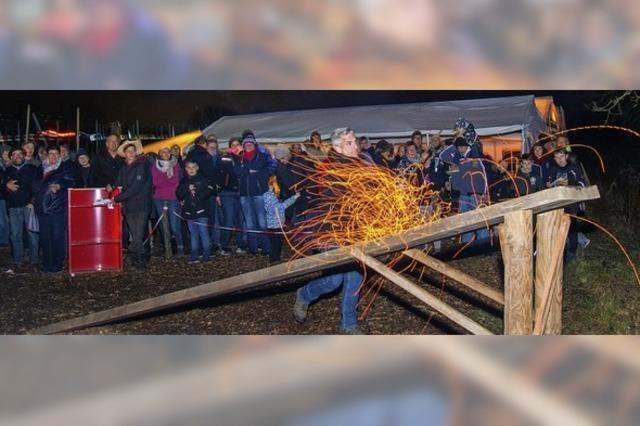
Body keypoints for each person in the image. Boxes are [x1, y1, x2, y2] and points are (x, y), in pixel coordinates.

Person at [293, 127, 365, 334]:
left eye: (355, 141)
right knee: (334, 280)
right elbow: (332, 200)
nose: (356, 146)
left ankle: (349, 326)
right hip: (330, 230)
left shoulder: (358, 165)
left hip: (354, 230)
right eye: (350, 143)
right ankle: (304, 294)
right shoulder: (330, 169)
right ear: (337, 147)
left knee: (354, 277)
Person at [32, 144, 77, 273]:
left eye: (56, 154)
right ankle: (47, 264)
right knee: (45, 237)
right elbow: (34, 184)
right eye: (51, 153)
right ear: (46, 155)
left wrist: (60, 185)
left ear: (60, 155)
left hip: (57, 208)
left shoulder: (64, 168)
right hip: (42, 208)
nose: (53, 156)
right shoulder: (40, 168)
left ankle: (57, 264)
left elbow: (73, 182)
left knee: (57, 237)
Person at [114, 140, 153, 271]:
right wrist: (111, 187)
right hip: (129, 206)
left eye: (132, 151)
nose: (130, 153)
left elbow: (136, 187)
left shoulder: (142, 165)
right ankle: (136, 260)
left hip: (141, 205)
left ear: (136, 153)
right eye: (128, 151)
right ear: (124, 154)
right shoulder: (123, 168)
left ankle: (137, 261)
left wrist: (118, 198)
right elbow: (118, 182)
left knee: (138, 235)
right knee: (135, 234)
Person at [546, 149, 586, 262]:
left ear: (566, 156)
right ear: (554, 159)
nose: (560, 160)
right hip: (558, 204)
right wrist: (549, 185)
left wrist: (570, 183)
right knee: (558, 228)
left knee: (571, 227)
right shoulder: (553, 170)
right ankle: (559, 253)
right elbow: (549, 183)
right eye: (557, 158)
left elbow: (582, 185)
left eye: (561, 156)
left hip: (571, 204)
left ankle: (572, 252)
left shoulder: (574, 169)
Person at [2, 148, 40, 266]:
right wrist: (6, 186)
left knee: (32, 233)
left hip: (29, 206)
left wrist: (32, 202)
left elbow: (38, 186)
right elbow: (2, 188)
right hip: (13, 207)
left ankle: (34, 260)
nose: (18, 156)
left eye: (20, 154)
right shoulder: (7, 171)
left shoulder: (32, 169)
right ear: (11, 157)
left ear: (24, 156)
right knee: (15, 234)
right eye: (15, 154)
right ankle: (18, 260)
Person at [236, 135, 271, 256]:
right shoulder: (240, 158)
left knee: (262, 221)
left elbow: (269, 169)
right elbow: (237, 172)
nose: (248, 146)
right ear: (244, 146)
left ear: (254, 145)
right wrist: (248, 171)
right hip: (245, 195)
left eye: (251, 144)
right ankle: (253, 248)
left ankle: (266, 248)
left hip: (259, 193)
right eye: (246, 144)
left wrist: (256, 172)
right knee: (249, 222)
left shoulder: (262, 156)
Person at [176, 160, 215, 264]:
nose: (191, 169)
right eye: (189, 167)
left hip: (202, 210)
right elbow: (179, 193)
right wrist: (187, 190)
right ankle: (194, 255)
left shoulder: (203, 178)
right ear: (185, 169)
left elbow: (209, 190)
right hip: (189, 212)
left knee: (203, 232)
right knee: (193, 234)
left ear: (197, 168)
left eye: (193, 167)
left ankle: (206, 254)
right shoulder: (183, 181)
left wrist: (197, 197)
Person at [151, 147, 183, 256]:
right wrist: (167, 180)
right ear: (159, 154)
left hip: (173, 197)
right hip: (159, 198)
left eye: (167, 152)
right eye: (163, 152)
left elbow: (176, 181)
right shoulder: (155, 166)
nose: (165, 154)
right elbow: (155, 182)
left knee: (174, 225)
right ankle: (167, 248)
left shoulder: (176, 165)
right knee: (163, 225)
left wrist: (165, 181)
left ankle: (179, 247)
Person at [216, 137, 246, 255]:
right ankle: (223, 246)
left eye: (237, 144)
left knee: (240, 220)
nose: (235, 147)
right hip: (227, 192)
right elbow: (228, 173)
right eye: (232, 145)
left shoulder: (245, 157)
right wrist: (217, 193)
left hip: (241, 192)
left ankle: (240, 245)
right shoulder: (225, 157)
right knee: (228, 220)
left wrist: (242, 157)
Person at [264, 176, 300, 263]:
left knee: (276, 242)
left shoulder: (268, 195)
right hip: (275, 225)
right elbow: (281, 207)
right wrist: (294, 198)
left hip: (273, 224)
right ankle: (274, 259)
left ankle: (275, 258)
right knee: (276, 243)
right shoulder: (270, 196)